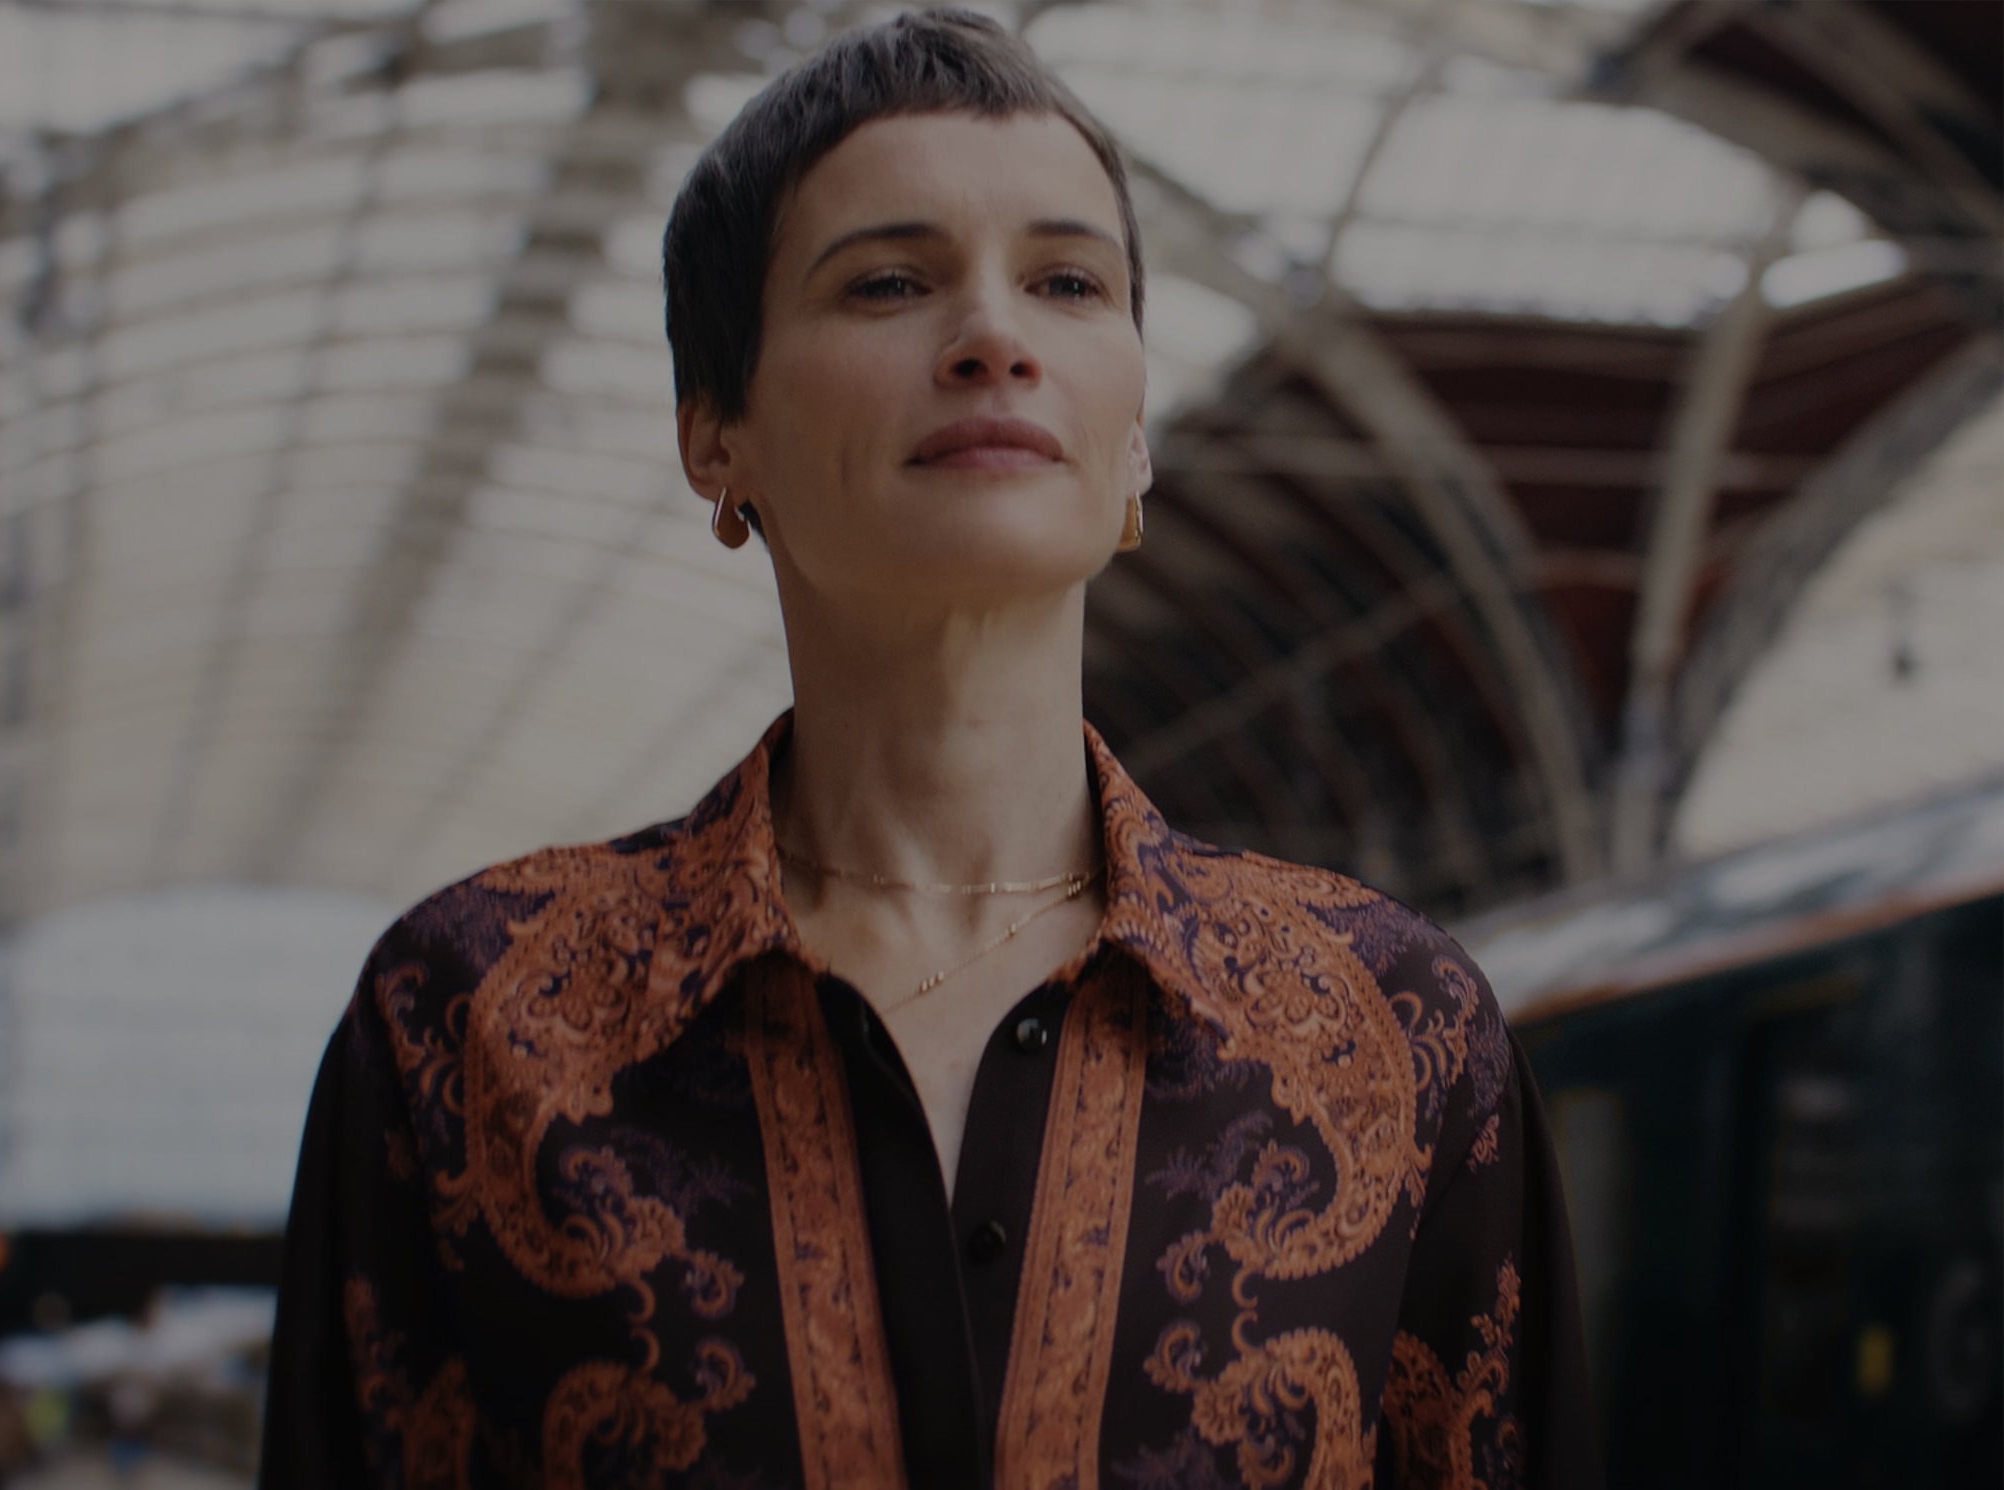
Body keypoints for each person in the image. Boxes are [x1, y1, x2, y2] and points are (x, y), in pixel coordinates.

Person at [261, 10, 1600, 1487]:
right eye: (890, 281)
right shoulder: (472, 1023)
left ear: (1137, 440)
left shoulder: (1400, 1031)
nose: (994, 337)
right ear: (717, 431)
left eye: (1068, 280)